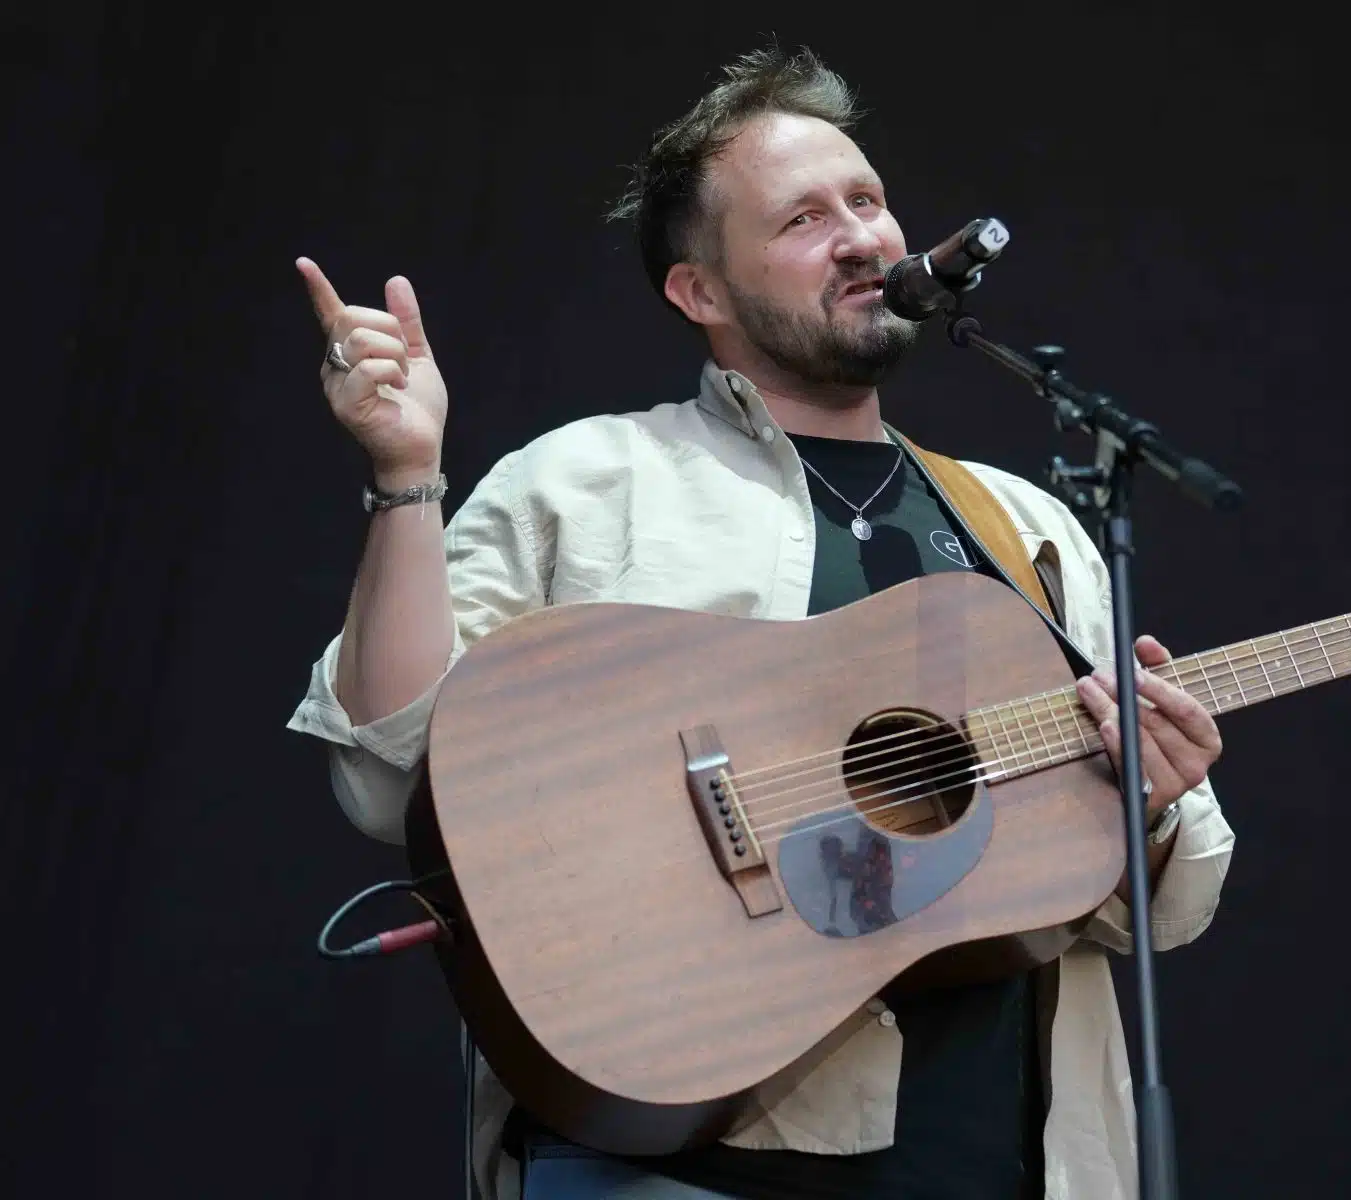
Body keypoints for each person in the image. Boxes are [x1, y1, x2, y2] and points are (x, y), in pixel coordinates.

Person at [287, 46, 1235, 1200]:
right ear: (701, 292)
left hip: (1001, 1162)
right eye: (801, 217)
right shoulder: (588, 482)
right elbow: (391, 781)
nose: (861, 238)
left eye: (869, 202)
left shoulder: (1027, 524)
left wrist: (1149, 804)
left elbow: (1161, 910)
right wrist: (407, 476)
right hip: (672, 1149)